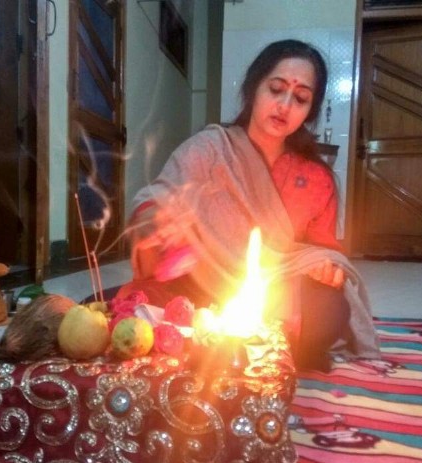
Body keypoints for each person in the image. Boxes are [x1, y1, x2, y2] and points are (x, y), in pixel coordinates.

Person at [117, 39, 380, 370]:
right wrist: (159, 221)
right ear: (253, 88)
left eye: (300, 98)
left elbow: (321, 251)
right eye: (276, 89)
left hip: (272, 294)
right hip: (200, 283)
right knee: (125, 306)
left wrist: (326, 270)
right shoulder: (210, 148)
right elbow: (158, 196)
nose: (284, 105)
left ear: (309, 111)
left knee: (330, 310)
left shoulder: (316, 178)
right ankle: (258, 345)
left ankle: (210, 343)